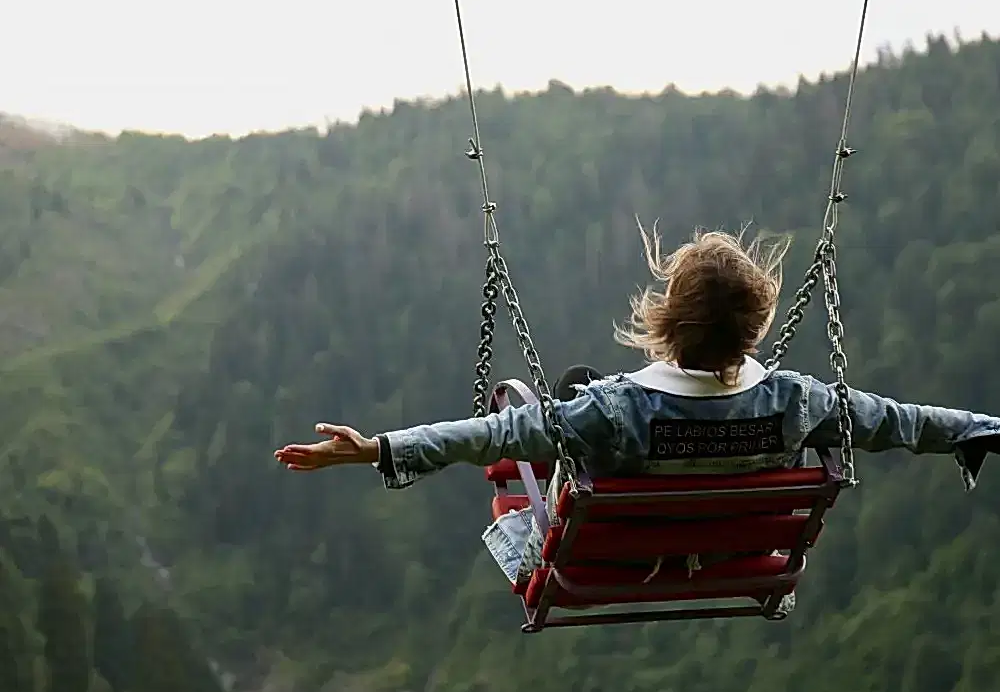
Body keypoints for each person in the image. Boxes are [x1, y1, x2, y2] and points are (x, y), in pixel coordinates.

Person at [273, 224, 1000, 608]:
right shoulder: (797, 402)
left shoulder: (612, 412)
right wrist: (979, 427)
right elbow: (903, 421)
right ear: (755, 325)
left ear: (667, 319)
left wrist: (376, 449)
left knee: (524, 422)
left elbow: (489, 435)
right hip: (728, 555)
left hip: (606, 563)